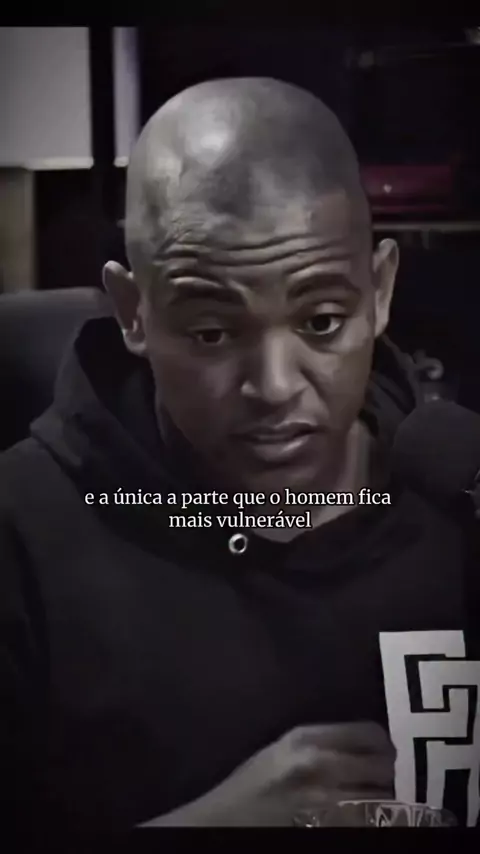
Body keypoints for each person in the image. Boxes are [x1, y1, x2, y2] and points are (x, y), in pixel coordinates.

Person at [1, 78, 479, 833]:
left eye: (322, 322)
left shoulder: (460, 492)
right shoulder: (21, 536)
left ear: (381, 290)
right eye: (213, 333)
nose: (275, 387)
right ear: (133, 311)